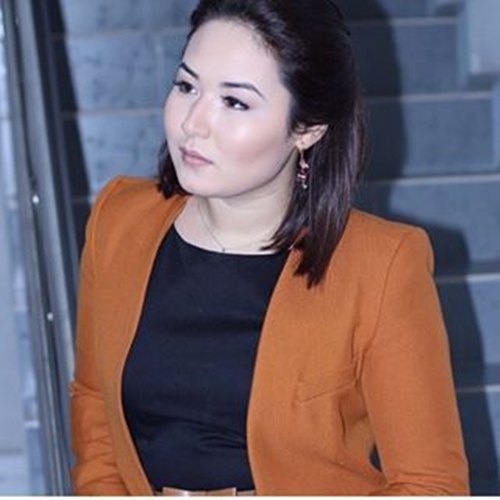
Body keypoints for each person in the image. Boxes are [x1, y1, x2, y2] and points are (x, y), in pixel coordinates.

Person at [69, 0, 469, 495]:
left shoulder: (380, 266)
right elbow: (94, 405)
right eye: (187, 86)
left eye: (234, 102)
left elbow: (430, 484)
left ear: (307, 128)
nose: (194, 123)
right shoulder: (119, 220)